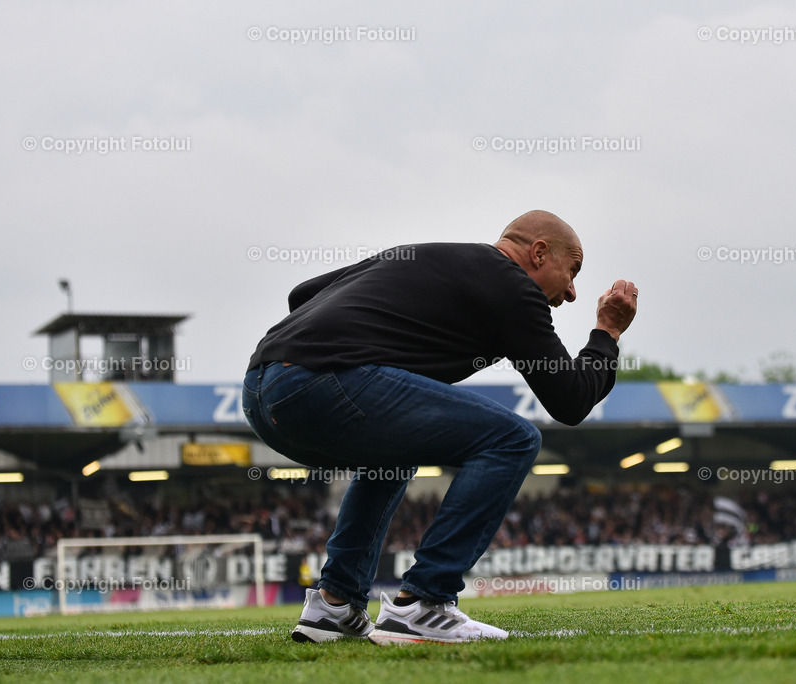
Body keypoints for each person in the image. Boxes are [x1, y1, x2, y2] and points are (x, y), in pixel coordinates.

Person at [242, 210, 637, 644]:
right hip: (321, 384)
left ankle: (334, 605)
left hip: (262, 390)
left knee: (395, 454)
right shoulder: (512, 284)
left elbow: (303, 294)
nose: (573, 291)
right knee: (513, 438)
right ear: (539, 253)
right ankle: (425, 602)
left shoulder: (425, 259)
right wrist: (607, 332)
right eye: (572, 270)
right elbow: (571, 399)